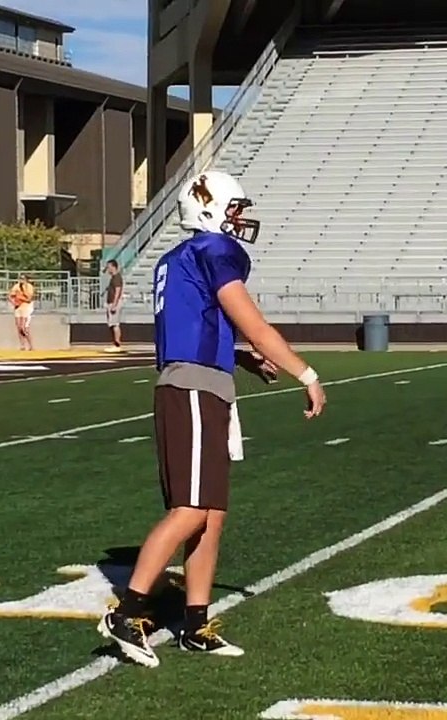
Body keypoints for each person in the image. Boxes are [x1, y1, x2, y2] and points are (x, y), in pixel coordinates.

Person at [98, 170, 327, 668]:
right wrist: (306, 374)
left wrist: (240, 360)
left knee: (211, 513)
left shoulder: (178, 258)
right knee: (191, 509)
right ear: (209, 208)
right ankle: (129, 610)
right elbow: (255, 324)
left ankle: (195, 623)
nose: (240, 218)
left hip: (199, 383)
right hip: (194, 390)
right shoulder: (214, 252)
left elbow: (195, 325)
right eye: (234, 208)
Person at [9, 273, 35, 350]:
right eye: (20, 278)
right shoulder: (16, 286)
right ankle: (22, 345)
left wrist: (20, 297)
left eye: (23, 279)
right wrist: (13, 302)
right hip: (18, 307)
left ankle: (30, 344)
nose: (21, 280)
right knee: (18, 327)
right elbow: (11, 295)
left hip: (26, 307)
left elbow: (29, 299)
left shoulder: (29, 287)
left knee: (23, 327)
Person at [104, 259, 124, 352]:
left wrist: (114, 304)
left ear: (113, 267)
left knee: (115, 324)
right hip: (111, 302)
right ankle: (115, 343)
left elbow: (118, 291)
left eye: (109, 267)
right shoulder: (114, 278)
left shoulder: (116, 278)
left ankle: (117, 344)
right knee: (112, 324)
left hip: (114, 303)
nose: (108, 269)